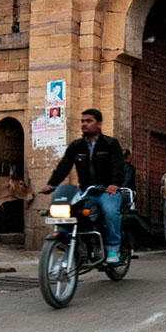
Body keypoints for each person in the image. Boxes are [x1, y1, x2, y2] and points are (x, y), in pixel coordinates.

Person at [40, 108, 125, 264]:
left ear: (99, 124)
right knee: (70, 213)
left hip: (107, 191)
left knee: (110, 211)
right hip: (86, 192)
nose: (84, 124)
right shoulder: (76, 146)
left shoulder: (110, 143)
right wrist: (51, 184)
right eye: (82, 121)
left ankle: (113, 247)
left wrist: (114, 184)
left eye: (88, 121)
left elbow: (118, 165)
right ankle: (73, 246)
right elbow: (64, 166)